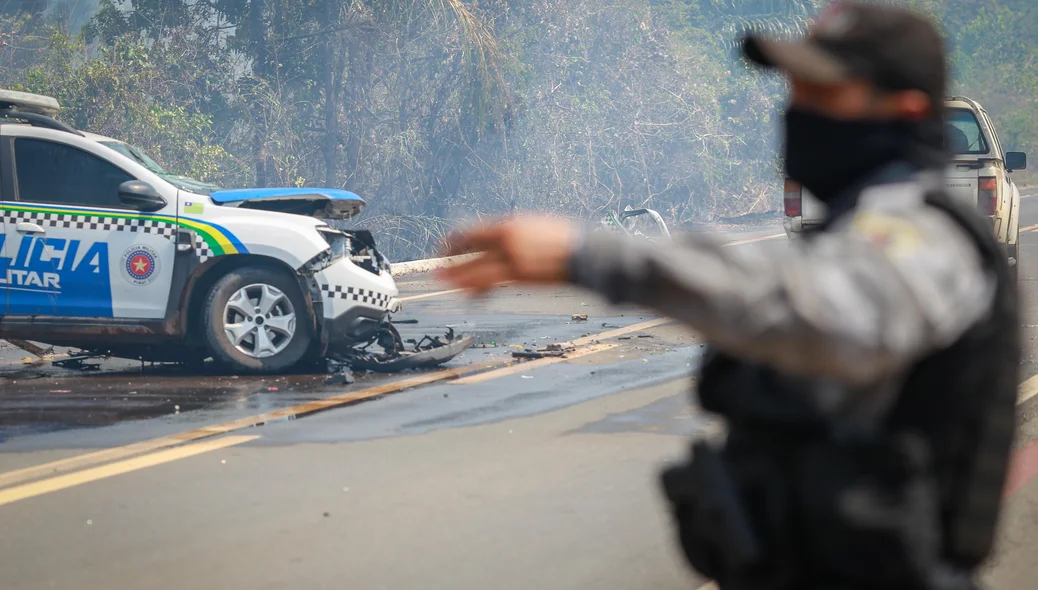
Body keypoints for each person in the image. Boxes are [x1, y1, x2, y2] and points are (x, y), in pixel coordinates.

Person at [435, 2, 1020, 589]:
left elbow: (817, 315)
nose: (799, 110)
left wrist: (589, 256)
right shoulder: (855, 226)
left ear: (903, 110)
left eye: (824, 91)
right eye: (795, 89)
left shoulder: (925, 235)